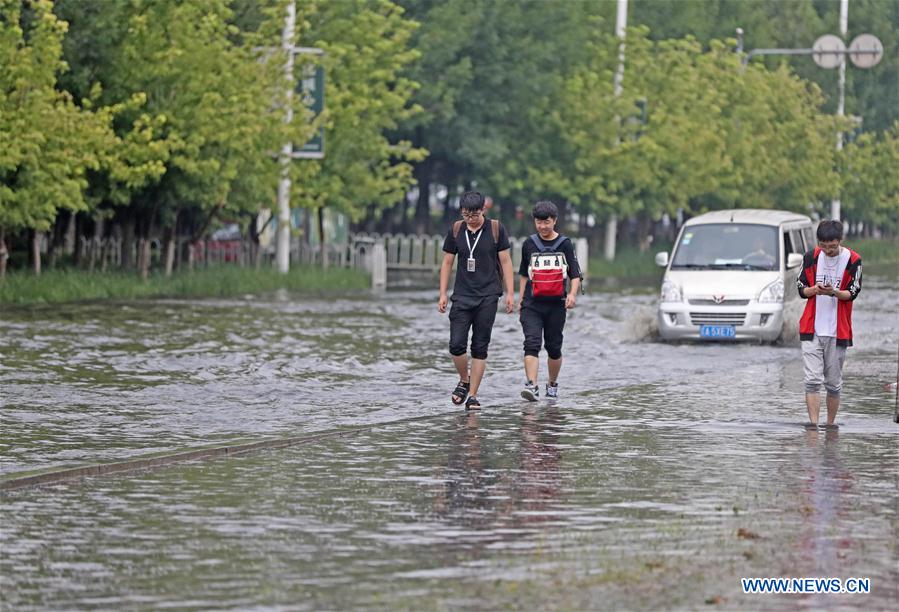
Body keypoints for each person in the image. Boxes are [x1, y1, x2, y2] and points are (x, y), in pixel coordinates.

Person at [438, 191, 514, 410]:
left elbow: (506, 262)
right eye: (465, 215)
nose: (469, 219)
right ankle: (464, 379)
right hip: (462, 295)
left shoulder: (495, 229)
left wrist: (510, 293)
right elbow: (447, 263)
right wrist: (443, 293)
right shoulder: (456, 230)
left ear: (484, 210)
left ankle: (472, 396)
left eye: (474, 214)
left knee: (480, 346)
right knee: (456, 345)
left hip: (488, 294)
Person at [796, 219, 862, 426]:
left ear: (840, 241)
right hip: (811, 328)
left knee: (833, 384)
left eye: (832, 247)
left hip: (837, 331)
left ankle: (830, 426)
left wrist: (833, 292)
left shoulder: (853, 260)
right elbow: (801, 288)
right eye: (823, 246)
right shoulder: (811, 257)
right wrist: (814, 290)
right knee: (812, 381)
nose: (827, 251)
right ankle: (814, 428)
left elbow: (853, 292)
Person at [516, 200, 582, 401]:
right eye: (538, 222)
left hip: (556, 304)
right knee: (531, 343)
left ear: (554, 221)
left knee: (554, 347)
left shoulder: (565, 244)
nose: (542, 226)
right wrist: (520, 300)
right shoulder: (529, 244)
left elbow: (575, 274)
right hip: (532, 304)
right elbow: (524, 275)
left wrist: (572, 294)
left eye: (546, 222)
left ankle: (552, 384)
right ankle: (532, 385)